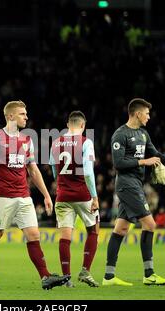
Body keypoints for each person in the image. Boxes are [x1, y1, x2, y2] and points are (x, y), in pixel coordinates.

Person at [0, 100, 70, 290]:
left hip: (23, 195)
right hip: (2, 196)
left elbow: (33, 169)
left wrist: (47, 195)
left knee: (33, 234)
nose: (26, 117)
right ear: (11, 116)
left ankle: (45, 276)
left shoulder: (26, 140)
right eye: (22, 114)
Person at [103, 98, 165, 286]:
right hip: (126, 184)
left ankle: (108, 276)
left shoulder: (143, 134)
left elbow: (154, 154)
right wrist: (143, 162)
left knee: (121, 228)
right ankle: (149, 274)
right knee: (150, 224)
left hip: (136, 184)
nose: (149, 117)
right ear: (137, 113)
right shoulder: (120, 134)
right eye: (147, 113)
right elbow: (118, 163)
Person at [49, 111, 100, 287]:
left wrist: (62, 184)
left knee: (65, 237)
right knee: (93, 231)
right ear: (83, 125)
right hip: (83, 195)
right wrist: (94, 197)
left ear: (67, 124)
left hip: (62, 195)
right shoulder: (86, 142)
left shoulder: (56, 143)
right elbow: (87, 171)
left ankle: (66, 278)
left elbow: (54, 170)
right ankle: (85, 271)